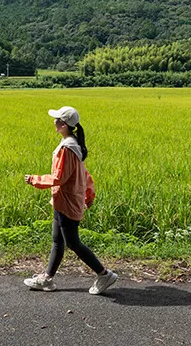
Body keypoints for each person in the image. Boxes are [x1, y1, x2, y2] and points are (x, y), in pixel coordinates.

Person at [23, 106, 118, 295]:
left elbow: (59, 177)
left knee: (73, 243)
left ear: (64, 124)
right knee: (57, 241)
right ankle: (47, 279)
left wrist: (34, 179)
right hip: (64, 200)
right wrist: (88, 195)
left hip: (66, 201)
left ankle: (104, 274)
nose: (54, 121)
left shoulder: (68, 148)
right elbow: (84, 175)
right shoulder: (73, 144)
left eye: (57, 119)